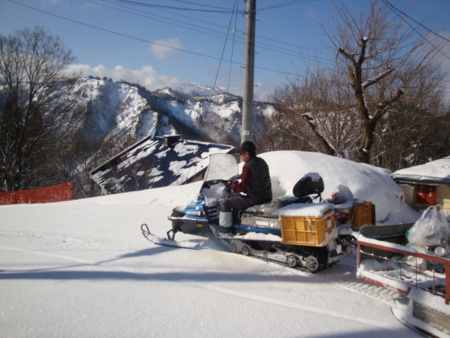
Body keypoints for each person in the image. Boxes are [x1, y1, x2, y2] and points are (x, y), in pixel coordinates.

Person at [219, 141, 272, 231]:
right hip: (267, 196)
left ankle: (225, 229)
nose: (240, 156)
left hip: (254, 198)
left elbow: (242, 188)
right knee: (238, 198)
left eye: (241, 153)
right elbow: (257, 177)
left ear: (247, 154)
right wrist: (241, 176)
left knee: (225, 203)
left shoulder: (248, 167)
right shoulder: (261, 161)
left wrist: (231, 186)